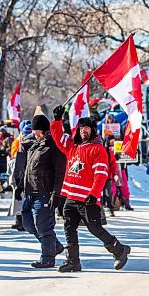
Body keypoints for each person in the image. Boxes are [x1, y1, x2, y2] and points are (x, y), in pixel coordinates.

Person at [51, 105, 131, 272]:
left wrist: (94, 194)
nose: (83, 131)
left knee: (94, 228)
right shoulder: (73, 146)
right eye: (81, 128)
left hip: (87, 198)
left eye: (86, 128)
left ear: (93, 130)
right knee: (69, 228)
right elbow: (58, 137)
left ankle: (119, 250)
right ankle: (73, 261)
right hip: (71, 197)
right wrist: (57, 120)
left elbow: (101, 174)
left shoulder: (98, 149)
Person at [21, 114, 66, 268]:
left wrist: (56, 193)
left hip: (44, 193)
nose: (34, 133)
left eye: (36, 131)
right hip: (30, 192)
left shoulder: (53, 147)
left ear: (44, 131)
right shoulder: (35, 146)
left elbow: (60, 172)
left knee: (43, 226)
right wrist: (22, 184)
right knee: (27, 223)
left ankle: (47, 258)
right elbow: (28, 168)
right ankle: (56, 246)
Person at [103, 135, 119, 216]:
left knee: (108, 193)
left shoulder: (109, 151)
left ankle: (111, 208)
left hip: (108, 175)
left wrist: (115, 173)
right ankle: (99, 209)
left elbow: (113, 164)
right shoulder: (100, 150)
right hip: (98, 176)